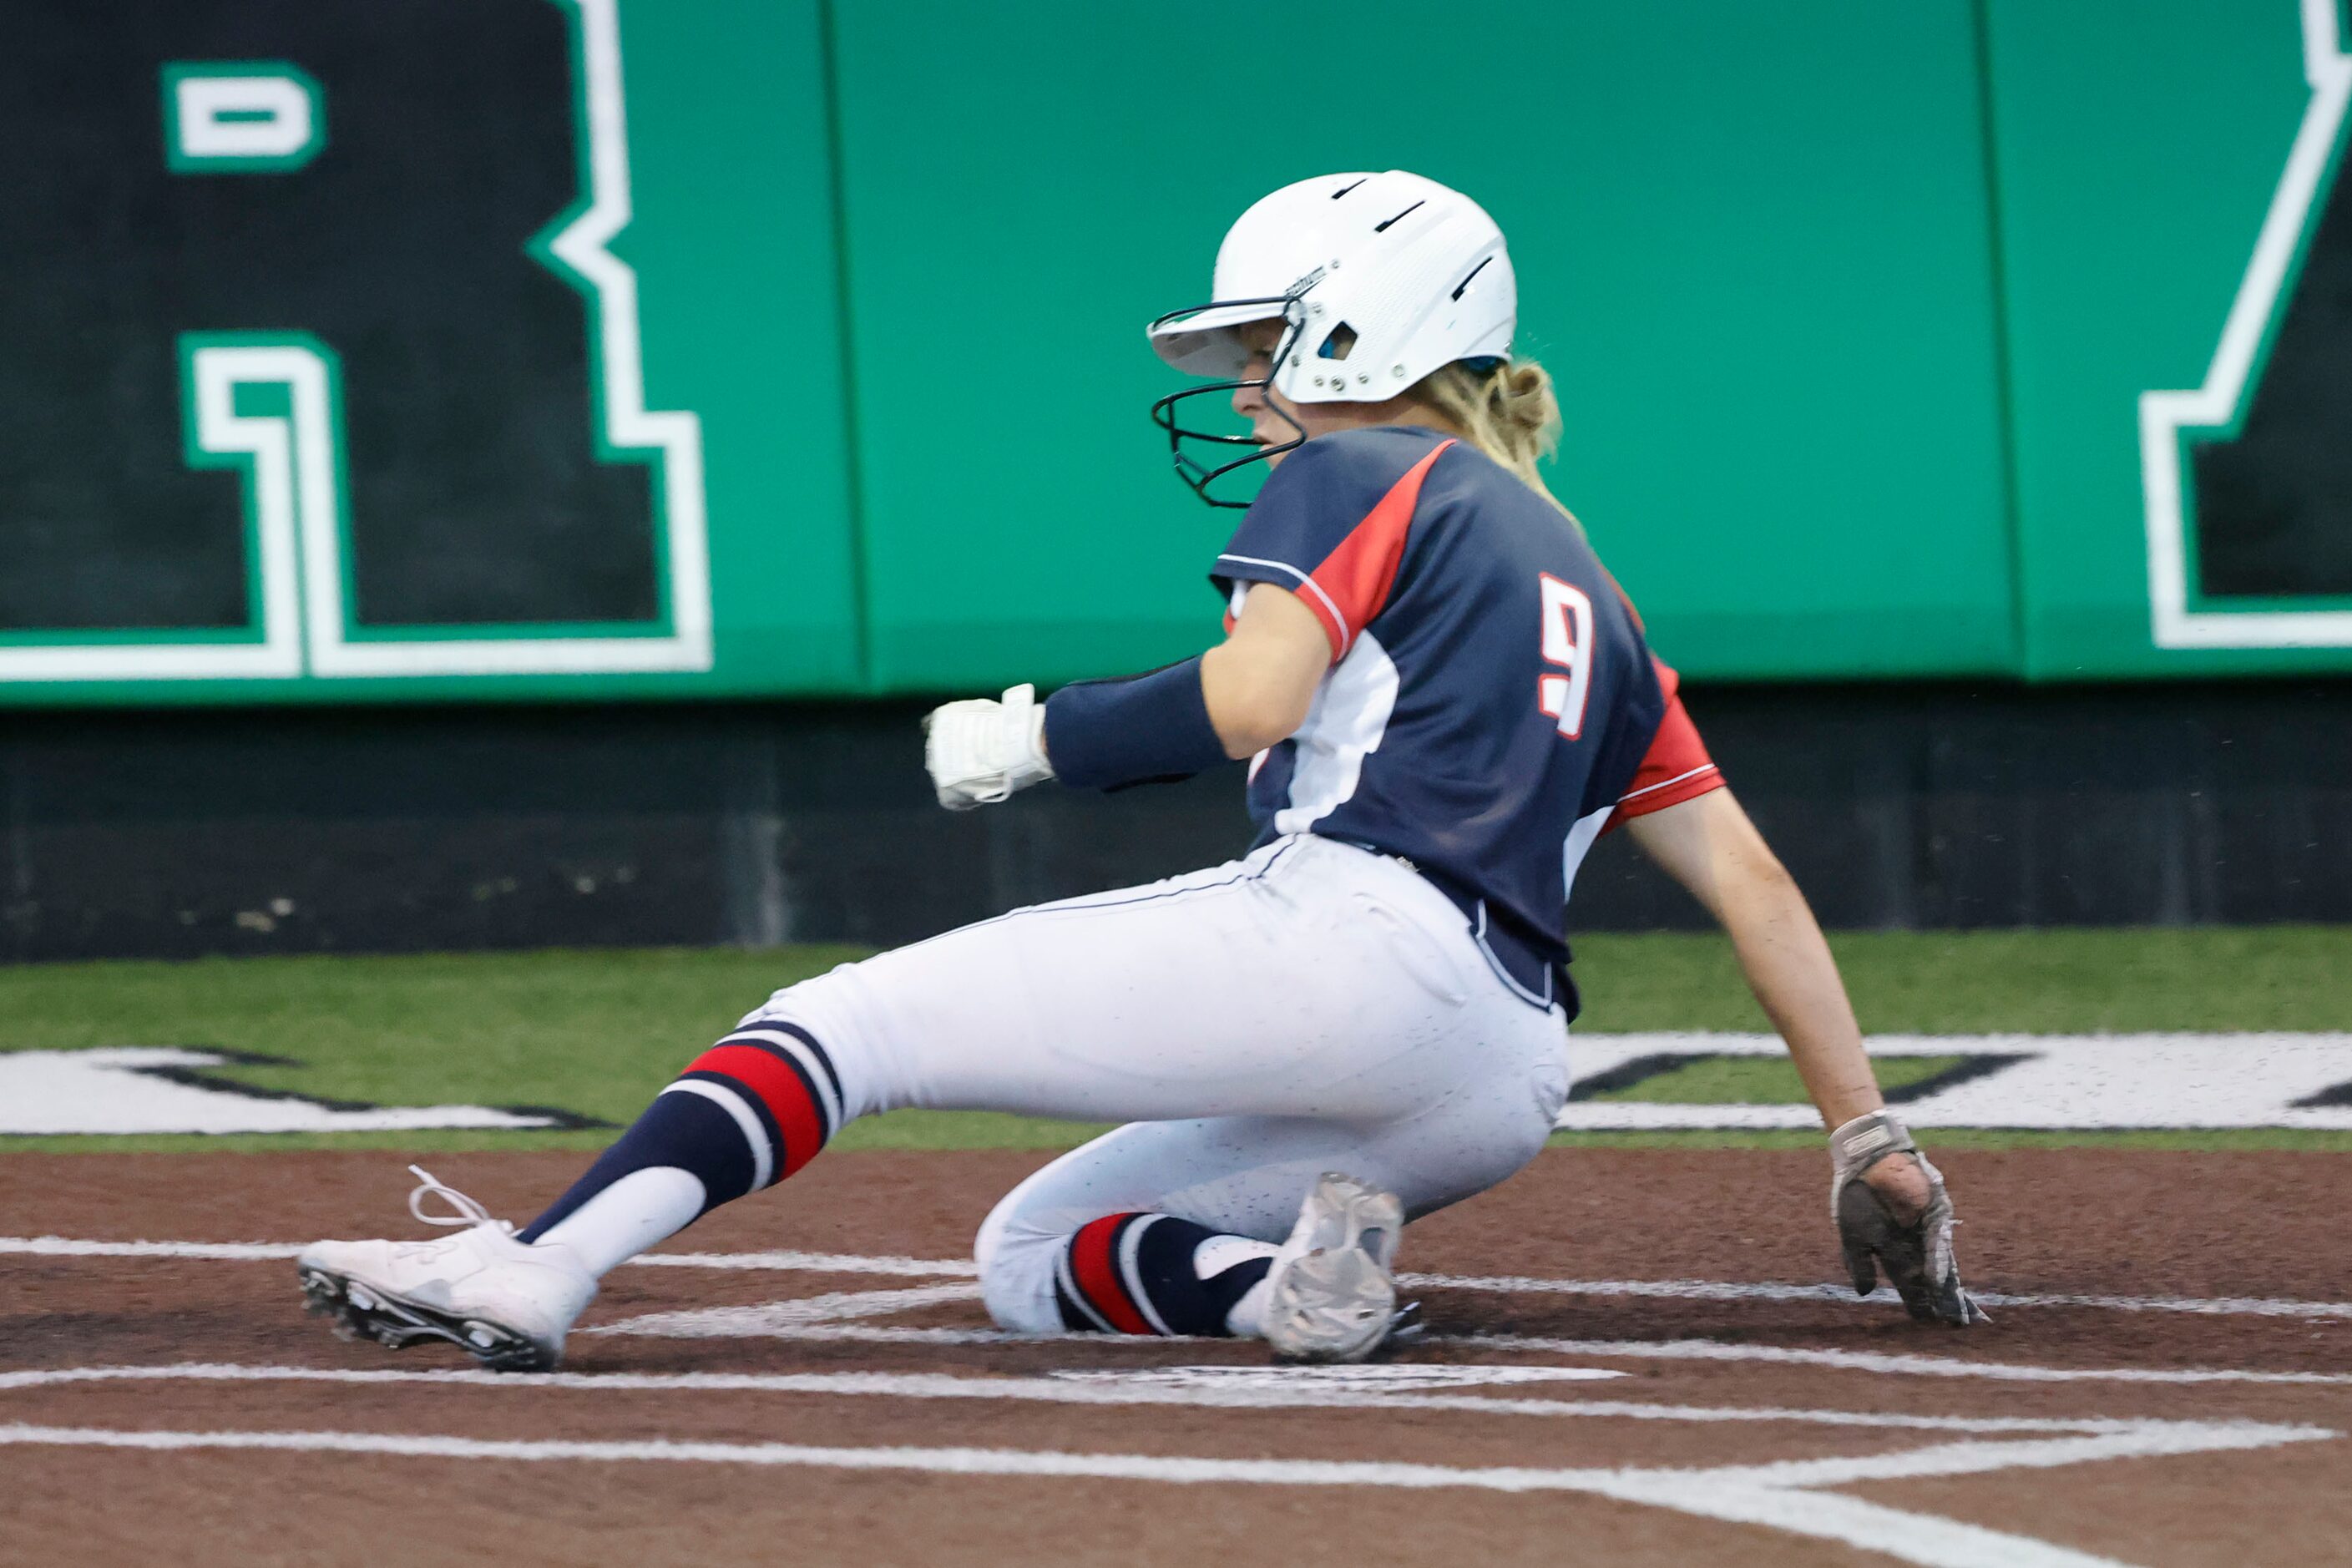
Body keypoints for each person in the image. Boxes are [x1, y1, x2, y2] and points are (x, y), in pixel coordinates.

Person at [297, 169, 1984, 1373]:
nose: (1246, 388)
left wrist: (1031, 737)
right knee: (1028, 1258)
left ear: (1357, 336)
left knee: (838, 1023)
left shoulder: (1363, 466)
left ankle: (536, 1269)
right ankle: (1280, 1296)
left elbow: (1253, 699)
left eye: (1266, 348)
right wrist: (1864, 1138)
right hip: (1499, 1072)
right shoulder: (1591, 587)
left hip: (1356, 936)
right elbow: (1749, 884)